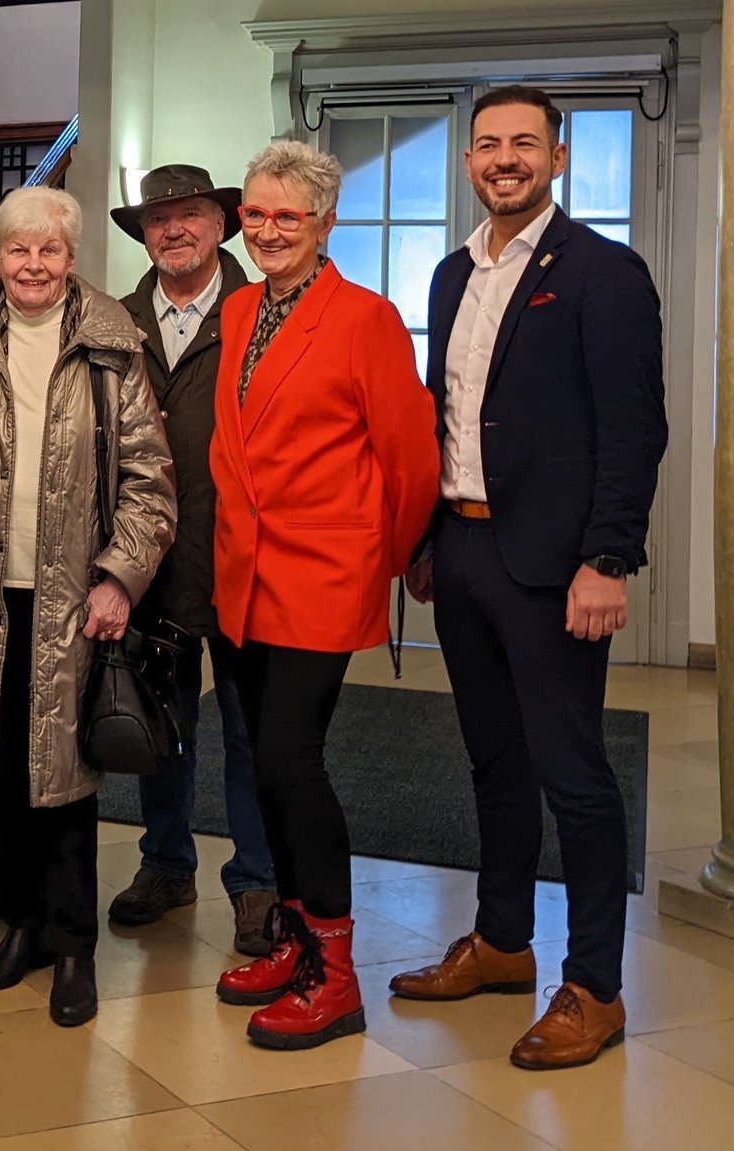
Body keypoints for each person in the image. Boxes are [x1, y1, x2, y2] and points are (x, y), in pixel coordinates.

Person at [392, 86, 666, 1071]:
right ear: (467, 162)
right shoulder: (447, 273)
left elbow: (632, 431)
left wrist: (606, 558)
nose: (502, 157)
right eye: (485, 144)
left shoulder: (603, 272)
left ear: (555, 156)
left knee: (573, 776)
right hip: (461, 552)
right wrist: (423, 536)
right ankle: (501, 942)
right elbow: (445, 414)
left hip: (554, 567)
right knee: (491, 764)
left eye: (522, 142)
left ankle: (593, 984)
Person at [0, 186, 176, 1027]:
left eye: (49, 251)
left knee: (62, 776)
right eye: (17, 250)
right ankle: (20, 922)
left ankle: (73, 945)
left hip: (73, 600)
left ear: (71, 258)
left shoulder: (110, 346)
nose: (33, 265)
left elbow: (150, 483)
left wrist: (117, 578)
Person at [207, 141, 438, 1050]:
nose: (266, 229)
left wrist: (382, 556)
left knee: (294, 762)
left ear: (325, 222)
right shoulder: (235, 310)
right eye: (255, 214)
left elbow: (410, 459)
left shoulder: (365, 318)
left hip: (322, 572)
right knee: (262, 764)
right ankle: (295, 942)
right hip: (243, 573)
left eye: (286, 216)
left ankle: (335, 976)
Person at [108, 165, 278, 955]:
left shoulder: (262, 309)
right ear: (143, 234)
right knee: (157, 725)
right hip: (149, 561)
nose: (174, 229)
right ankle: (165, 863)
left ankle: (256, 883)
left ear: (221, 224)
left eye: (191, 215)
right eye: (159, 219)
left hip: (244, 557)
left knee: (250, 733)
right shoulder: (114, 320)